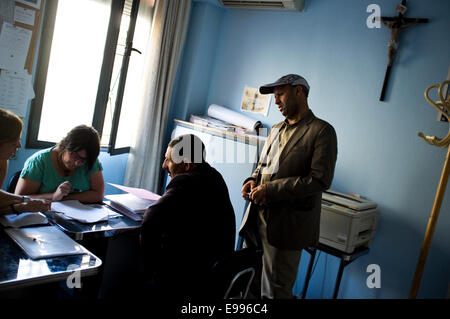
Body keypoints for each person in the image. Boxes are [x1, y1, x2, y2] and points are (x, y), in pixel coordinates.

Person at [240, 74, 338, 299]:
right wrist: (251, 181)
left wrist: (271, 190)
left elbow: (320, 179)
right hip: (256, 220)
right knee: (248, 285)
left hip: (286, 227)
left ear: (299, 91)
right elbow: (262, 167)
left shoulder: (321, 131)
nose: (276, 101)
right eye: (274, 97)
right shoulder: (275, 129)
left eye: (280, 94)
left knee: (275, 291)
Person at [140, 134, 236, 299]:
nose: (164, 165)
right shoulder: (214, 176)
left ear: (186, 165)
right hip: (217, 275)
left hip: (191, 280)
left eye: (169, 160)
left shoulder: (186, 182)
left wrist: (151, 267)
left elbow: (150, 219)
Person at [15, 124, 105, 203]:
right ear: (66, 145)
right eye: (75, 155)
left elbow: (98, 195)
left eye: (83, 160)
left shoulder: (91, 161)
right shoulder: (39, 161)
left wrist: (64, 198)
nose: (77, 163)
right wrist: (53, 196)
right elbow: (20, 199)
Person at [0, 108, 50, 215]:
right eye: (14, 142)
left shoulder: (3, 160)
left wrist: (25, 200)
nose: (19, 145)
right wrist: (21, 207)